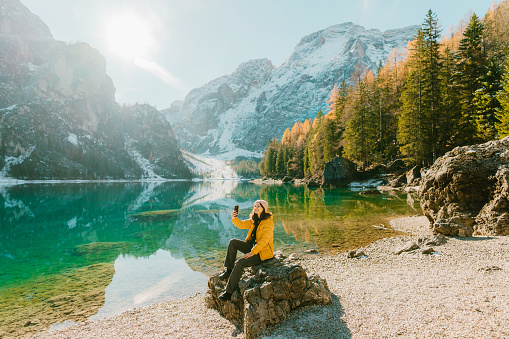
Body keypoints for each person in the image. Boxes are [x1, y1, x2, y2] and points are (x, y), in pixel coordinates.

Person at [217, 199, 274, 301]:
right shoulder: (254, 219)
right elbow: (242, 224)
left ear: (264, 209)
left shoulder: (268, 223)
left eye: (258, 206)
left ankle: (228, 292)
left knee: (240, 263)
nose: (255, 208)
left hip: (262, 253)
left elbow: (264, 241)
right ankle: (229, 270)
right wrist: (234, 218)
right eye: (254, 206)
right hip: (252, 247)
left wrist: (252, 252)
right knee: (233, 242)